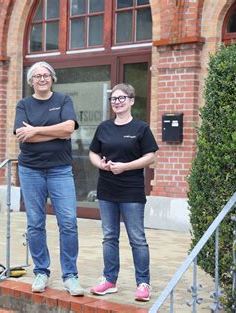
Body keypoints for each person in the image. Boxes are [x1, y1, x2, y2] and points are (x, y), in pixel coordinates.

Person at [13, 61, 84, 296]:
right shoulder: (23, 104)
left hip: (60, 170)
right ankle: (41, 271)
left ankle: (70, 275)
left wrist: (36, 130)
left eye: (46, 75)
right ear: (31, 81)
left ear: (52, 79)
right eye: (37, 76)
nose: (42, 79)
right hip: (31, 170)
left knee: (68, 222)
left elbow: (69, 128)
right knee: (35, 223)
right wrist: (50, 133)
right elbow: (24, 138)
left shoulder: (63, 100)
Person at [88, 83, 158, 302]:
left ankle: (143, 284)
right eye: (114, 99)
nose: (117, 102)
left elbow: (151, 157)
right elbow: (93, 152)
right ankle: (109, 281)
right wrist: (101, 165)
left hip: (131, 191)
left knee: (137, 238)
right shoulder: (104, 127)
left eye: (122, 98)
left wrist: (125, 167)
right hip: (107, 189)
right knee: (109, 237)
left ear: (132, 100)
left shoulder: (141, 128)